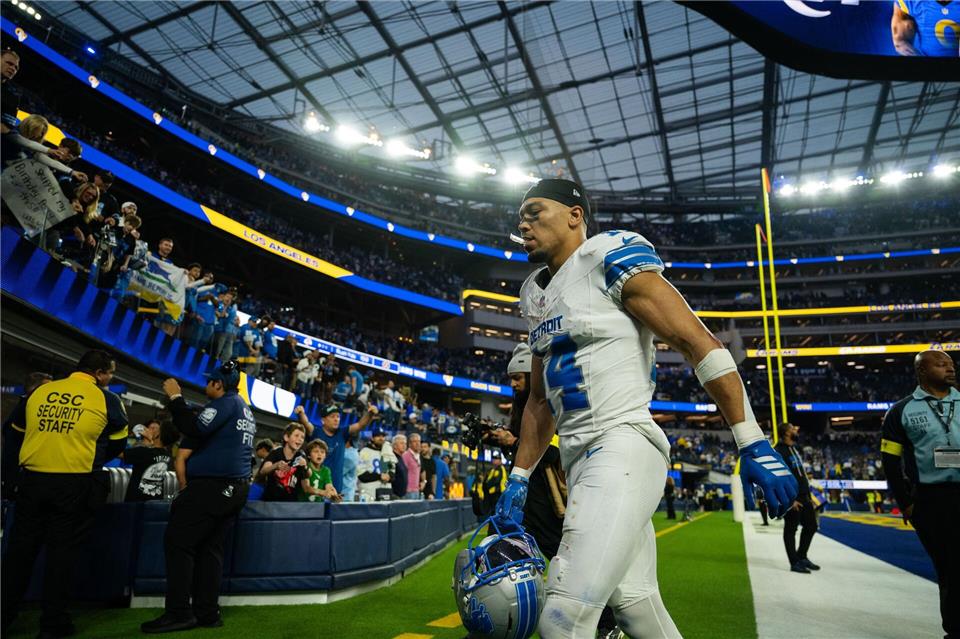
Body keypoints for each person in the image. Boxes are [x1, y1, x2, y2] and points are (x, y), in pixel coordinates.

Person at [494, 179, 797, 638]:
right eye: (521, 215)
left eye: (536, 211)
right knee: (637, 609)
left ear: (576, 215)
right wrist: (518, 478)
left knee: (561, 619)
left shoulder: (609, 256)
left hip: (621, 444)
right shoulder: (534, 293)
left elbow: (697, 342)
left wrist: (751, 441)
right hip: (582, 461)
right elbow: (539, 401)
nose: (524, 222)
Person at [2, 350, 127, 638]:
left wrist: (11, 477)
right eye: (110, 373)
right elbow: (118, 443)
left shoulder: (42, 392)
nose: (110, 378)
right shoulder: (107, 399)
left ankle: (4, 616)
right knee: (61, 556)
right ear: (99, 373)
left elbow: (13, 434)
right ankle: (53, 623)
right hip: (73, 483)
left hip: (31, 481)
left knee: (19, 554)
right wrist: (89, 459)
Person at [141, 360, 256, 634]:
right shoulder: (243, 409)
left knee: (179, 543)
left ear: (218, 384)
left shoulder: (227, 403)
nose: (206, 386)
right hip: (233, 489)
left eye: (209, 382)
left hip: (213, 488)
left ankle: (179, 613)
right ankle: (207, 612)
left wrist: (176, 397)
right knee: (209, 549)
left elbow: (194, 428)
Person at [881, 350, 959, 639]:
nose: (950, 368)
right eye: (941, 364)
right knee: (950, 566)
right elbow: (890, 461)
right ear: (922, 372)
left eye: (951, 364)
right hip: (931, 500)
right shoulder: (900, 411)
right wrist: (906, 503)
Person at [302, 403, 379, 494]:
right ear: (323, 420)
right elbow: (306, 424)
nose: (336, 419)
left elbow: (360, 425)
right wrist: (301, 414)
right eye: (332, 416)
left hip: (336, 490)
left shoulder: (342, 433)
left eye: (338, 416)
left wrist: (370, 414)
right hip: (316, 489)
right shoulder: (316, 432)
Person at [775, 422, 820, 573]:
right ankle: (794, 562)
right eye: (793, 429)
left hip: (804, 495)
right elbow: (778, 478)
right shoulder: (778, 451)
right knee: (791, 529)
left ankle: (802, 556)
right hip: (792, 497)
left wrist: (809, 495)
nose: (796, 430)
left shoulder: (794, 448)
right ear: (786, 433)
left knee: (811, 526)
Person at [1, 371, 53, 499]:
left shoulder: (25, 408)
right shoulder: (25, 410)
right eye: (47, 388)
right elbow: (13, 449)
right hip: (18, 478)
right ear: (33, 389)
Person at [123, 420, 177, 502]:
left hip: (136, 502)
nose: (148, 430)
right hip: (155, 501)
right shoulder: (167, 455)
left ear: (158, 435)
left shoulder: (144, 452)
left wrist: (143, 441)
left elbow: (117, 453)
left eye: (155, 429)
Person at [258, 422, 307, 501]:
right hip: (271, 501)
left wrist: (305, 467)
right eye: (296, 435)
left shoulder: (301, 456)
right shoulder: (276, 452)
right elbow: (263, 471)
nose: (300, 439)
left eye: (302, 437)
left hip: (290, 504)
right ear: (286, 437)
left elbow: (307, 476)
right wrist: (276, 465)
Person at [357, 427, 392, 501]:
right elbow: (361, 475)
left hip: (384, 493)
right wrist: (380, 476)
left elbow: (392, 472)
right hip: (368, 493)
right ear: (372, 438)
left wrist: (389, 476)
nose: (381, 438)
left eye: (383, 436)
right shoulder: (364, 452)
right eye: (378, 436)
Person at [342, 436, 359, 502]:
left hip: (345, 495)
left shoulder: (350, 455)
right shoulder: (346, 452)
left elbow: (336, 473)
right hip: (342, 494)